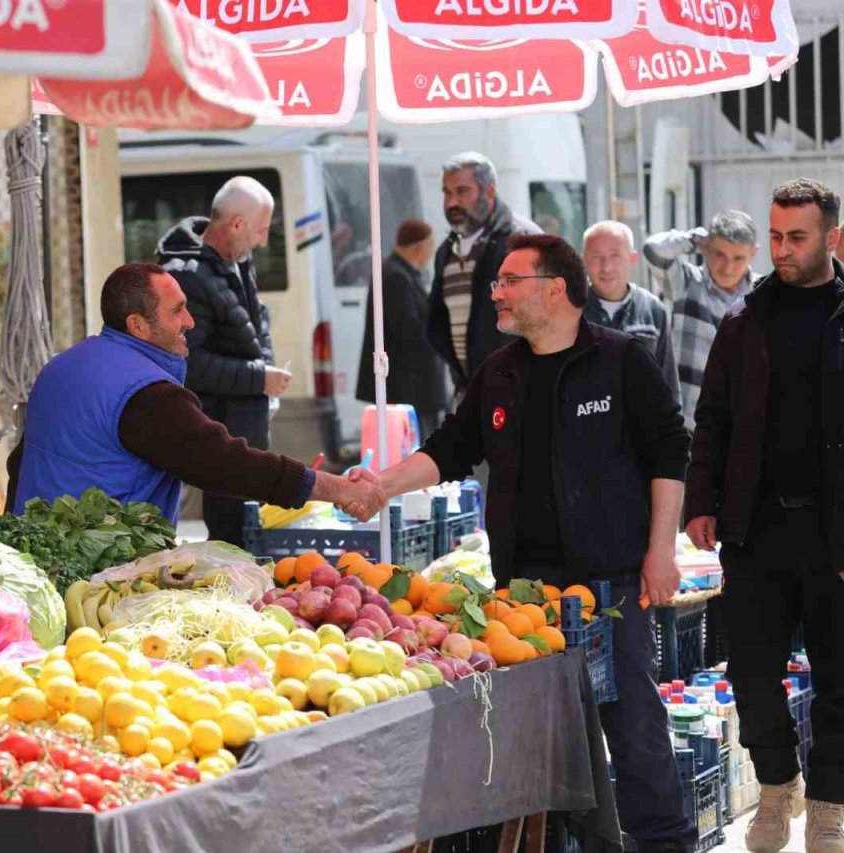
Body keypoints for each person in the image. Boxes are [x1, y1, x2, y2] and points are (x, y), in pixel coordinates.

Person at [350, 234, 695, 852]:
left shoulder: (620, 360)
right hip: (522, 594)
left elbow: (672, 451)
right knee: (539, 738)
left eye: (510, 282)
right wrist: (382, 485)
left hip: (610, 584)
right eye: (497, 283)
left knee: (633, 726)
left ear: (555, 289)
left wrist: (660, 551)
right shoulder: (500, 371)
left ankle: (665, 843)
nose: (496, 294)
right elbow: (451, 448)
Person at [684, 178, 844, 853]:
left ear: (832, 238)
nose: (780, 248)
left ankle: (831, 803)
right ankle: (778, 787)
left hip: (836, 528)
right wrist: (699, 502)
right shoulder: (743, 320)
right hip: (756, 528)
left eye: (796, 237)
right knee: (751, 672)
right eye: (774, 235)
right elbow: (713, 418)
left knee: (839, 675)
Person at [6, 263, 382, 527]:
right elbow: (224, 463)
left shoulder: (61, 367)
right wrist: (333, 488)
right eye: (178, 311)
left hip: (39, 551)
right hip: (96, 568)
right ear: (137, 325)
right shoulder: (147, 394)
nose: (190, 322)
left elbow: (20, 465)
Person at [155, 176, 292, 547]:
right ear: (236, 224)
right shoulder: (187, 276)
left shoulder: (236, 261)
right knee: (230, 538)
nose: (264, 241)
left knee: (247, 534)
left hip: (245, 425)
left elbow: (255, 326)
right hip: (217, 433)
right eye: (262, 230)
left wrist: (266, 374)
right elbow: (190, 363)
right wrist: (258, 378)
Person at [428, 152, 541, 395]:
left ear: (489, 193)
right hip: (470, 394)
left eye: (462, 191)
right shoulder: (446, 252)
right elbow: (439, 326)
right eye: (446, 193)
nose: (451, 203)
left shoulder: (520, 241)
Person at [643, 211, 759, 430]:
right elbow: (652, 249)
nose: (728, 267)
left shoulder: (763, 294)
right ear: (706, 249)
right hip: (689, 425)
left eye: (738, 258)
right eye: (720, 254)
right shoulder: (685, 282)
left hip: (742, 426)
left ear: (753, 254)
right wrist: (694, 239)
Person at [355, 219, 450, 441]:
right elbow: (409, 330)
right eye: (429, 247)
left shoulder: (398, 273)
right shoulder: (396, 276)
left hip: (411, 387)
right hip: (408, 388)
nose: (430, 254)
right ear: (418, 247)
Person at [582, 220, 681, 403]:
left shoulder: (653, 310)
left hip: (642, 427)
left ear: (632, 259)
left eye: (615, 255)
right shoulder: (570, 311)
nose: (606, 267)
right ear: (584, 260)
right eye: (597, 257)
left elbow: (668, 383)